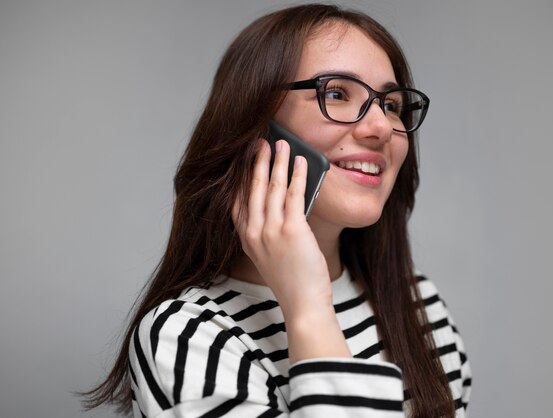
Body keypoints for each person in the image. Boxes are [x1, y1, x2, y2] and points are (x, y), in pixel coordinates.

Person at [83, 4, 471, 417]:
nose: (379, 127)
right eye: (336, 93)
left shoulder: (418, 303)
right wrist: (306, 306)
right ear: (255, 125)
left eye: (390, 104)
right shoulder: (189, 337)